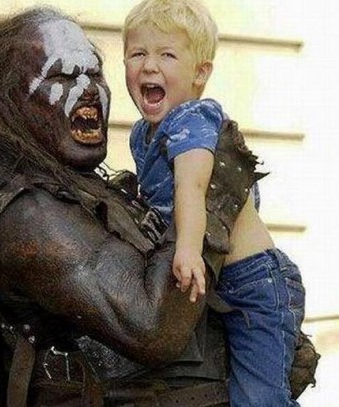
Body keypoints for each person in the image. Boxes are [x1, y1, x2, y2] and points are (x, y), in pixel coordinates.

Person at [0, 5, 316, 407]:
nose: (88, 88)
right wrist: (213, 185)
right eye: (63, 76)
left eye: (94, 73)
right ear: (7, 98)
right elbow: (152, 325)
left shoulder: (62, 180)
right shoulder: (28, 213)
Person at [123, 0, 307, 405]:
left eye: (167, 55)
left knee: (260, 398)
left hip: (253, 284)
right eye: (137, 54)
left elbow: (192, 186)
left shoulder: (193, 118)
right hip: (213, 280)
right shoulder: (141, 135)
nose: (149, 65)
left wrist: (188, 248)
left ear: (200, 73)